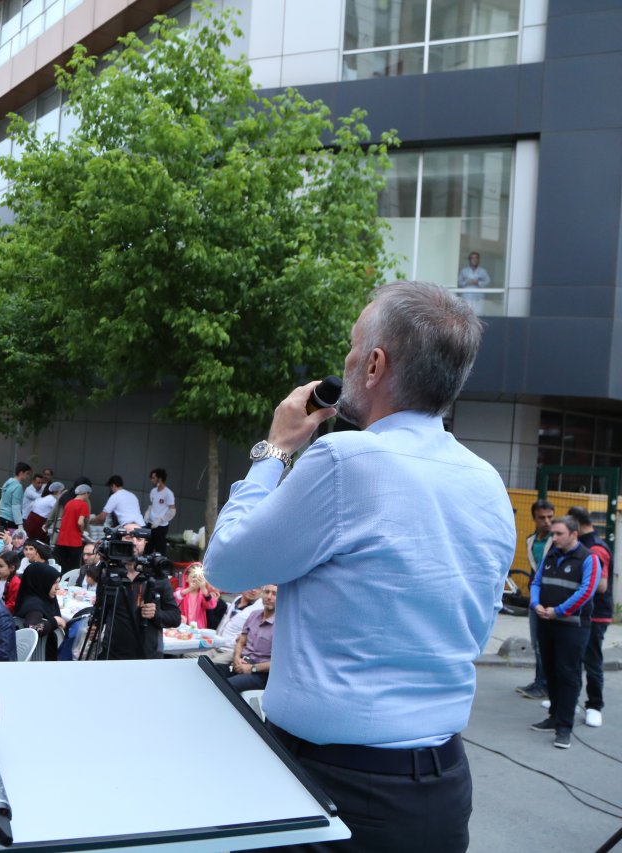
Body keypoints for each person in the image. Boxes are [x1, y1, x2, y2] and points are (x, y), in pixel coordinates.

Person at [204, 281, 515, 851]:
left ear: (373, 364)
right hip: (441, 786)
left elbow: (224, 564)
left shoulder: (345, 459)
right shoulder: (487, 482)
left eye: (352, 346)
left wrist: (274, 449)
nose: (344, 360)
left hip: (339, 784)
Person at [529, 516, 598, 748]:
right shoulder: (551, 554)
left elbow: (586, 591)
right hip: (547, 622)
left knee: (568, 674)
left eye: (559, 534)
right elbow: (536, 581)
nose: (554, 537)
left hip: (572, 626)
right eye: (554, 534)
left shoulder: (589, 558)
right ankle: (554, 716)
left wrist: (559, 611)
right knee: (551, 671)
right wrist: (535, 603)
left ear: (573, 535)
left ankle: (564, 728)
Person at [92, 525, 180, 660]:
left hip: (148, 656)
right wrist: (95, 626)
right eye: (128, 537)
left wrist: (156, 614)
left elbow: (175, 618)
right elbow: (100, 610)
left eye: (139, 538)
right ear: (119, 540)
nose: (133, 542)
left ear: (145, 543)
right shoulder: (109, 575)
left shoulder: (157, 576)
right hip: (112, 653)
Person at [566, 506, 612, 728]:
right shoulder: (585, 545)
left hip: (596, 615)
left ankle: (595, 706)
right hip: (581, 613)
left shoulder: (595, 548)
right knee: (574, 660)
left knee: (592, 662)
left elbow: (601, 586)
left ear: (576, 522)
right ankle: (570, 701)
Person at [516, 499, 555, 700]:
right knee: (536, 643)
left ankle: (545, 684)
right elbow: (534, 568)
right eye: (542, 518)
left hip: (551, 599)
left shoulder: (556, 540)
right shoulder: (531, 540)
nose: (547, 522)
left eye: (550, 517)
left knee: (546, 643)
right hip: (536, 597)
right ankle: (540, 681)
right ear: (534, 518)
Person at [224, 584, 276, 693]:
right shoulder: (254, 615)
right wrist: (237, 658)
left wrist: (252, 668)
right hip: (241, 663)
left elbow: (279, 663)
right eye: (267, 592)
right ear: (262, 594)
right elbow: (241, 641)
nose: (269, 597)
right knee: (211, 672)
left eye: (274, 594)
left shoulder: (282, 626)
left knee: (226, 686)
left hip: (260, 674)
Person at [13, 562, 63, 661]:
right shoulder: (34, 605)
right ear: (42, 583)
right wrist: (55, 621)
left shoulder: (41, 596)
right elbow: (33, 627)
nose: (58, 587)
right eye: (54, 583)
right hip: (39, 659)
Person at [208, 587, 263, 667]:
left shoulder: (259, 608)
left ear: (261, 591)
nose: (253, 590)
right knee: (188, 655)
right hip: (216, 646)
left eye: (258, 588)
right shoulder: (237, 599)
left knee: (210, 665)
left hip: (231, 650)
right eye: (251, 586)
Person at [54, 484, 91, 572]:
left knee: (62, 565)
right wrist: (82, 531)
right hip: (74, 541)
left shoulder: (68, 503)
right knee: (74, 567)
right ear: (85, 493)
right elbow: (80, 522)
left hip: (62, 539)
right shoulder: (83, 505)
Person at [144, 468, 176, 556]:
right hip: (150, 524)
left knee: (160, 550)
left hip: (161, 526)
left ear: (160, 479)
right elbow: (152, 505)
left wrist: (161, 519)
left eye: (153, 478)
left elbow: (172, 510)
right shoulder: (153, 491)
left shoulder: (168, 493)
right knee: (147, 548)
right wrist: (148, 512)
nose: (151, 480)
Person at [177, 564, 219, 628]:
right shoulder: (182, 591)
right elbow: (176, 598)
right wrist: (190, 589)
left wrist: (204, 589)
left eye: (200, 577)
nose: (196, 579)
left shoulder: (204, 594)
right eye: (194, 576)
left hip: (198, 628)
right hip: (183, 626)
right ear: (186, 579)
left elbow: (211, 605)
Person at [0, 462, 31, 530]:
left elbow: (1, 501)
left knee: (1, 540)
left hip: (2, 517)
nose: (28, 476)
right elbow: (16, 506)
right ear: (21, 473)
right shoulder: (18, 486)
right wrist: (20, 524)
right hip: (10, 520)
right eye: (27, 473)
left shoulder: (7, 482)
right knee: (9, 540)